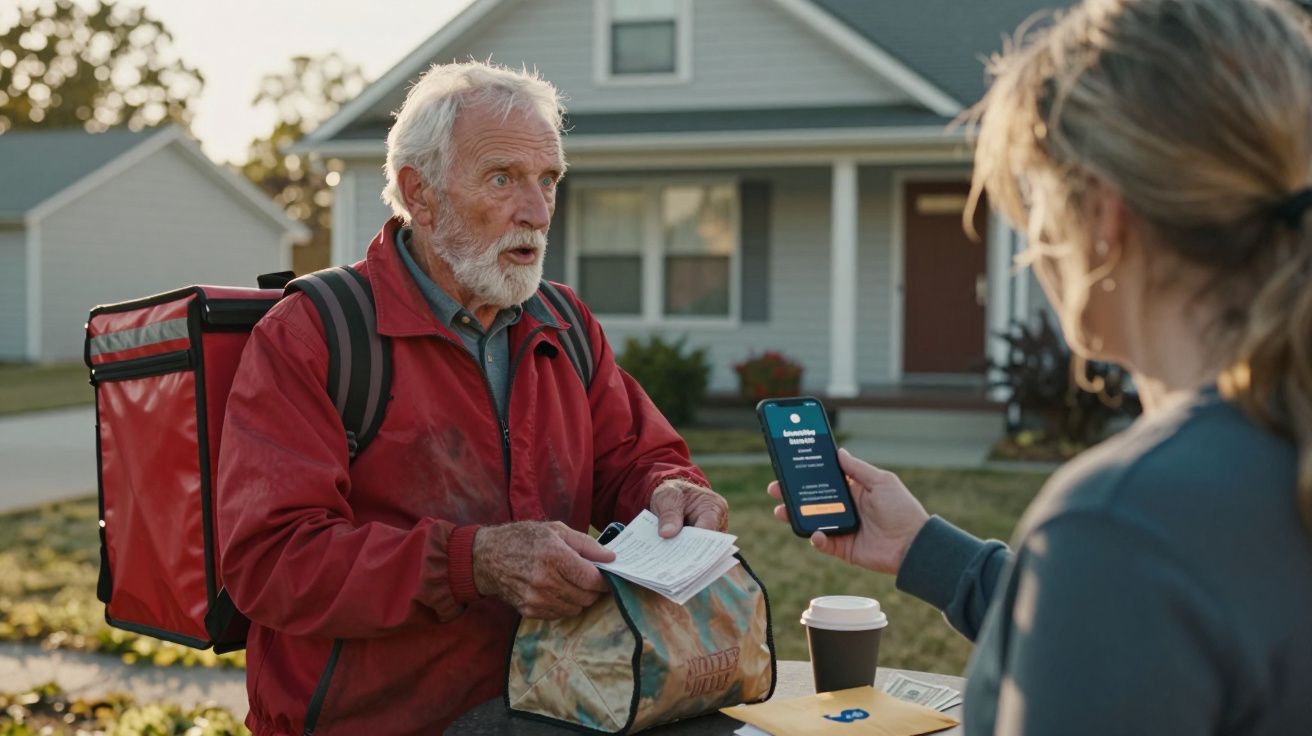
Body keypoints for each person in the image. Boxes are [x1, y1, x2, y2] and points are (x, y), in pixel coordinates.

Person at [768, 0, 1312, 732]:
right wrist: (926, 551)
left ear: (1105, 220)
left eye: (1035, 205)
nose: (1030, 245)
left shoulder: (1122, 522)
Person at [216, 61, 729, 735]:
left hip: (554, 695)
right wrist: (474, 561)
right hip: (378, 718)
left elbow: (638, 455)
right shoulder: (314, 335)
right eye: (502, 178)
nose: (538, 212)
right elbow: (271, 562)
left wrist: (671, 489)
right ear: (418, 194)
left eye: (548, 180)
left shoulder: (563, 323)